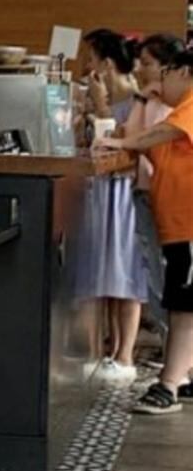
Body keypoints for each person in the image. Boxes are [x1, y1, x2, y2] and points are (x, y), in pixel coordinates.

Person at [93, 34, 193, 412]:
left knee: (184, 306)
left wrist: (123, 144)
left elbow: (158, 134)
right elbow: (142, 139)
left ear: (184, 72)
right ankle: (180, 376)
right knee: (181, 303)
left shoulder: (188, 108)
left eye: (163, 73)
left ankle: (168, 385)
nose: (158, 83)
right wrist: (141, 101)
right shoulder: (172, 111)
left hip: (189, 224)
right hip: (179, 226)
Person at [67, 27, 164, 374]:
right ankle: (104, 353)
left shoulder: (137, 103)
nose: (87, 67)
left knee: (125, 273)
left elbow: (120, 151)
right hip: (102, 193)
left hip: (123, 195)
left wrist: (101, 106)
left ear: (106, 64)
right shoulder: (110, 102)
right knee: (103, 273)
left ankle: (124, 356)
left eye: (91, 59)